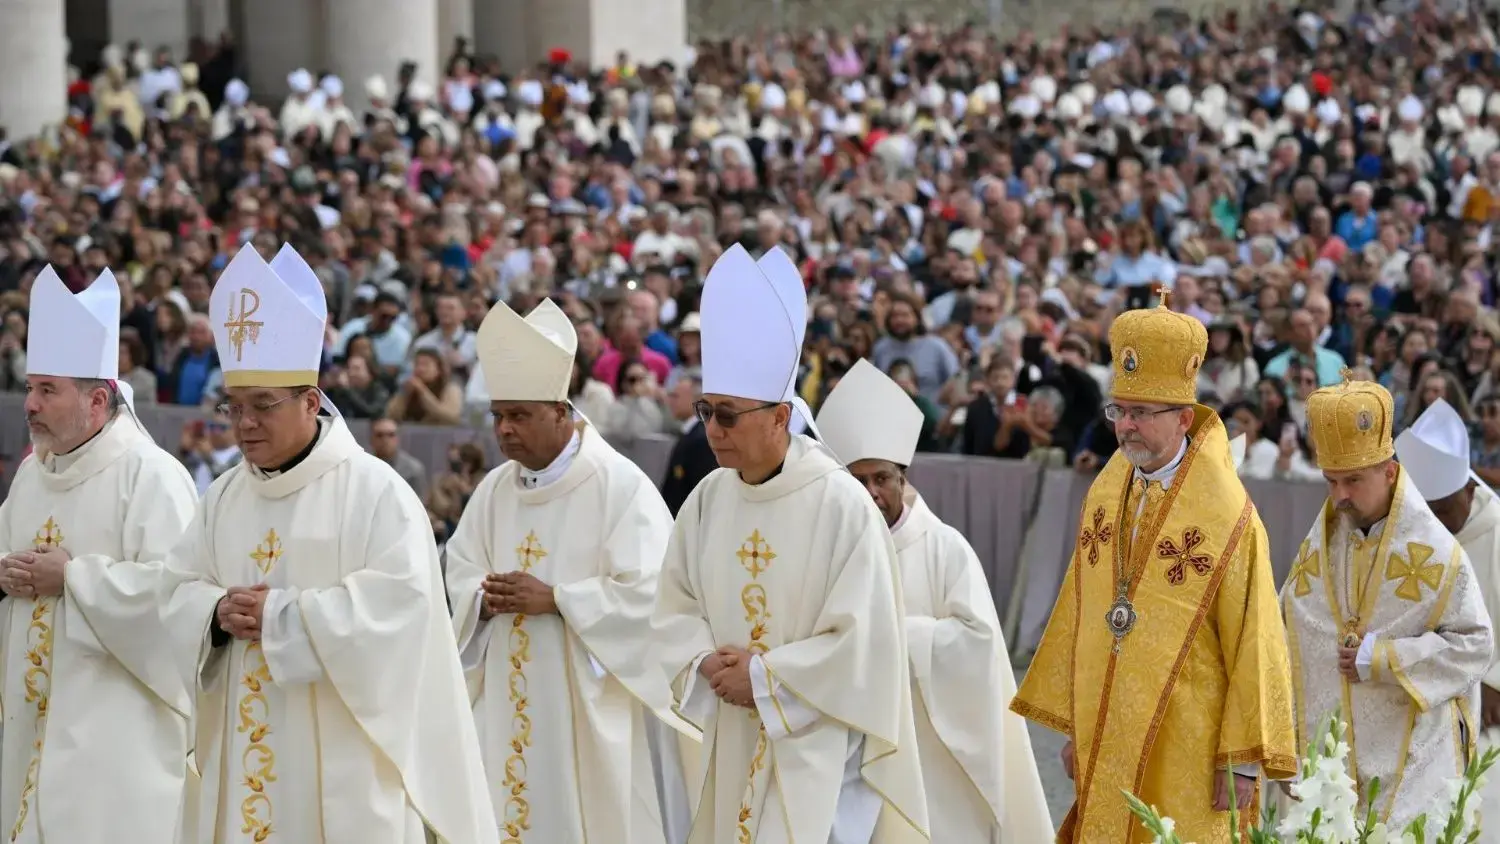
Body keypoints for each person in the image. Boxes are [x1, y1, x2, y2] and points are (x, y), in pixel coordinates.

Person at [155, 244, 495, 843]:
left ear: (312, 402)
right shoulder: (224, 497)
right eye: (234, 408)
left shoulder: (375, 493)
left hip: (344, 762)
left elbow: (403, 614)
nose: (245, 424)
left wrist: (280, 615)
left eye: (263, 406)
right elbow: (174, 591)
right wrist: (212, 612)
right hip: (244, 750)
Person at [649, 244, 928, 844]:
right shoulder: (707, 499)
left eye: (728, 414)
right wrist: (705, 662)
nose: (712, 430)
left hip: (814, 747)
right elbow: (672, 605)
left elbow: (868, 642)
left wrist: (767, 677)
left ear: (780, 416)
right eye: (705, 411)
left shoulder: (842, 504)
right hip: (729, 734)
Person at [1012, 293, 1298, 843]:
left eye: (1142, 413)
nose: (1126, 428)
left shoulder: (1227, 514)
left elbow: (1257, 636)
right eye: (1119, 410)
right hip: (1107, 719)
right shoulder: (1107, 489)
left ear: (1184, 418)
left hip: (1190, 735)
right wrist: (1077, 724)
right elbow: (1083, 608)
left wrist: (1241, 760)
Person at [444, 296, 690, 844]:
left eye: (519, 417)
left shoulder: (620, 487)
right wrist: (480, 598)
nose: (504, 432)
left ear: (561, 412)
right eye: (498, 417)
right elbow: (458, 570)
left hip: (584, 713)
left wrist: (557, 598)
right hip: (504, 701)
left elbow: (656, 596)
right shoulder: (493, 491)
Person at [814, 357, 1053, 842]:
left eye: (881, 478)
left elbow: (978, 645)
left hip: (931, 757)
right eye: (857, 482)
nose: (871, 493)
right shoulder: (825, 549)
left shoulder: (944, 548)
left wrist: (893, 636)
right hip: (847, 748)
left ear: (902, 477)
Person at [0, 266, 198, 842]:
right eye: (31, 387)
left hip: (117, 741)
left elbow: (179, 601)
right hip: (28, 731)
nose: (29, 404)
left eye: (47, 390)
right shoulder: (33, 476)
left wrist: (77, 579)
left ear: (98, 398)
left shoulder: (152, 476)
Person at [1284, 375, 1494, 830]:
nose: (1340, 495)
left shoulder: (1436, 553)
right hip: (1333, 759)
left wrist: (1386, 658)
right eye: (1331, 480)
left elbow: (1476, 644)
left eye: (1354, 480)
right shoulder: (1319, 546)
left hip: (1413, 760)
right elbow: (1286, 633)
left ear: (1391, 472)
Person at [1395, 397, 1500, 842]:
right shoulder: (1416, 531)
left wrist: (1493, 681)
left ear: (1469, 490)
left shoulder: (1494, 531)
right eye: (1427, 512)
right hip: (1427, 696)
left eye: (1442, 512)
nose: (1435, 525)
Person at [660, 373, 718, 516]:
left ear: (697, 400)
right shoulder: (690, 434)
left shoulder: (700, 439)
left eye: (676, 396)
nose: (670, 401)